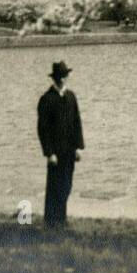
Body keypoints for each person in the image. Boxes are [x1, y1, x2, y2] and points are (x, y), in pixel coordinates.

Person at [37, 61, 84, 227]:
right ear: (54, 79)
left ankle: (61, 218)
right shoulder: (46, 99)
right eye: (60, 77)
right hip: (55, 152)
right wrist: (49, 153)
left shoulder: (71, 97)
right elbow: (43, 130)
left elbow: (77, 122)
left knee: (67, 185)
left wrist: (78, 147)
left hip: (69, 150)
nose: (63, 79)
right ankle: (51, 220)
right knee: (54, 186)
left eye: (64, 76)